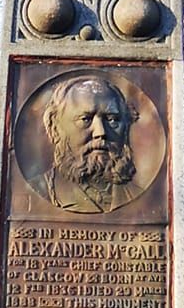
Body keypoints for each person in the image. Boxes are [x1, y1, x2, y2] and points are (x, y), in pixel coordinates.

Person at [33, 74, 143, 213]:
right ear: (55, 128)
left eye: (112, 119)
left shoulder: (145, 200)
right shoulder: (30, 196)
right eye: (86, 119)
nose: (100, 132)